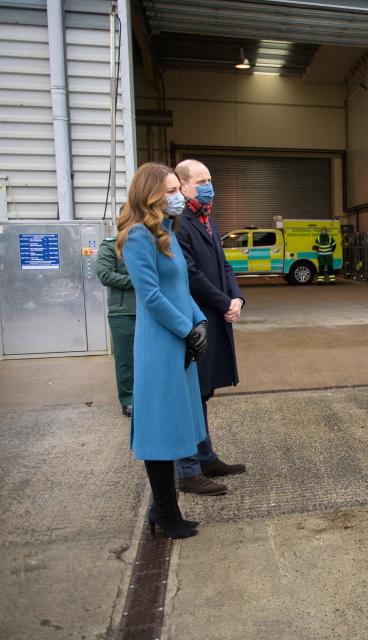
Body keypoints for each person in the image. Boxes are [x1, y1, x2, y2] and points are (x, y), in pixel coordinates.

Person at [116, 162, 208, 539]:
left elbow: (182, 289)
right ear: (151, 194)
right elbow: (151, 296)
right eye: (170, 190)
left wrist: (199, 320)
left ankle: (165, 508)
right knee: (158, 429)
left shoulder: (167, 232)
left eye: (177, 189)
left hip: (179, 339)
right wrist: (188, 329)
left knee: (175, 424)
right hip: (160, 344)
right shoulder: (138, 237)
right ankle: (165, 511)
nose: (179, 196)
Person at [173, 159, 247, 495]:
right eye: (201, 181)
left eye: (210, 179)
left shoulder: (207, 219)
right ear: (183, 185)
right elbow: (191, 275)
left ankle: (205, 456)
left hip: (214, 317)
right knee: (191, 394)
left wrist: (236, 299)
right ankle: (189, 467)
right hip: (195, 321)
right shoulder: (180, 225)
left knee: (203, 392)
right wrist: (222, 302)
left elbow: (224, 264)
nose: (209, 186)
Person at [96, 235, 136, 417]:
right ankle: (128, 400)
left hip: (149, 309)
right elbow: (105, 274)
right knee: (125, 359)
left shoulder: (149, 243)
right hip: (123, 312)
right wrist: (138, 281)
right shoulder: (111, 245)